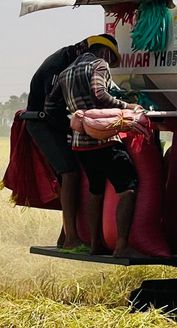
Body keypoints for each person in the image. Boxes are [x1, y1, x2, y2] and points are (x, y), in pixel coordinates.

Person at [44, 34, 147, 258]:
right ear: (106, 52)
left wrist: (74, 125)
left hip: (81, 146)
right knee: (128, 188)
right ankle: (122, 245)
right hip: (105, 141)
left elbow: (50, 107)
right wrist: (127, 106)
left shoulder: (66, 71)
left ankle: (95, 244)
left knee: (96, 191)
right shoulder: (99, 64)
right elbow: (99, 94)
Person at [25, 36, 92, 248]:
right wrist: (74, 128)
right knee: (70, 173)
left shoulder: (70, 59)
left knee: (73, 173)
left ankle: (65, 236)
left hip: (55, 121)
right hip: (42, 123)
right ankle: (71, 237)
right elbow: (51, 108)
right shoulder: (57, 65)